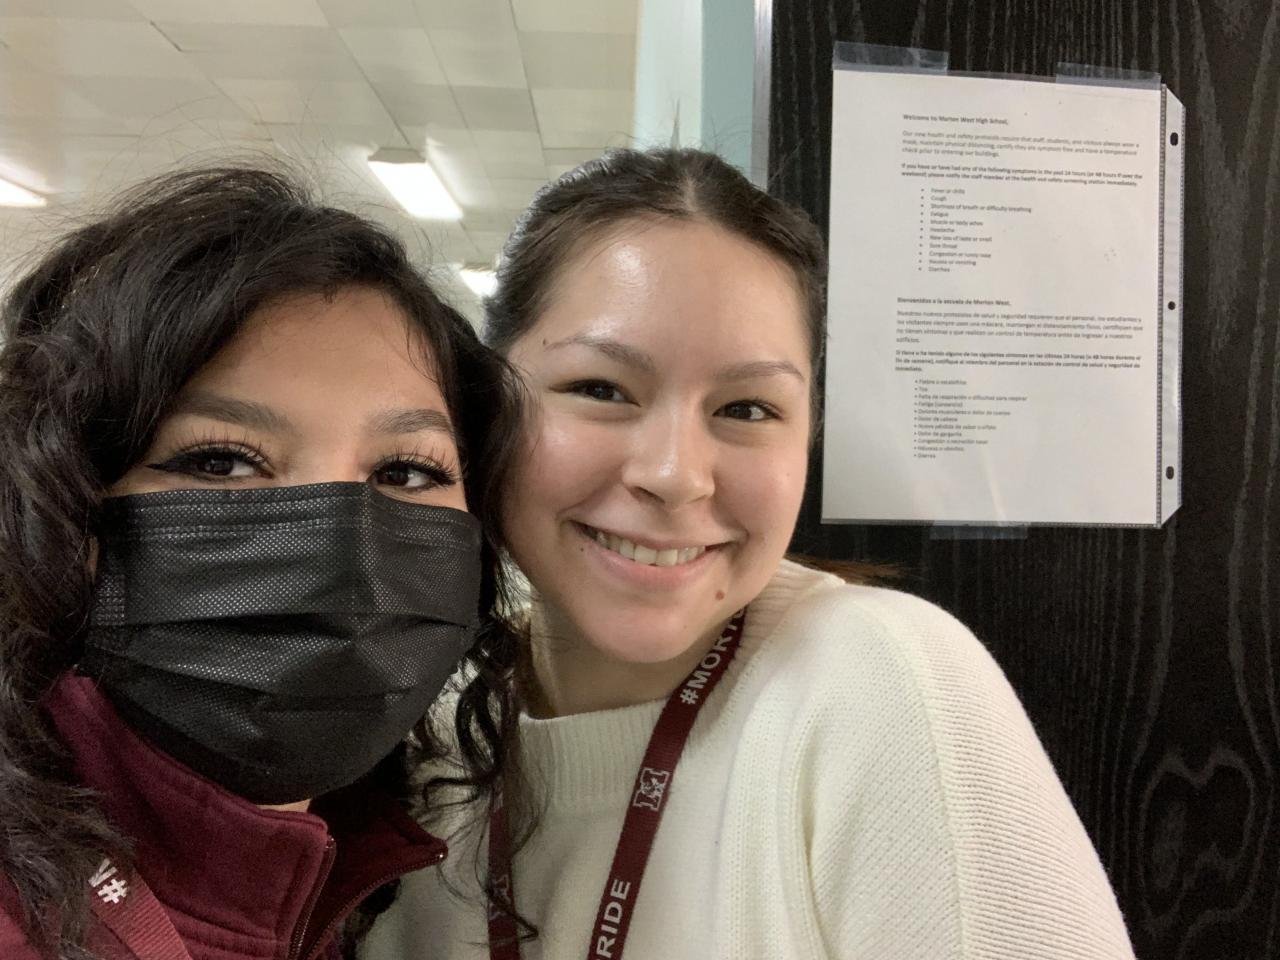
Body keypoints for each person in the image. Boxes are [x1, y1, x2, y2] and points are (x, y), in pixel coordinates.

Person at [364, 148, 1137, 959]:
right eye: (600, 389)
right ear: (487, 403)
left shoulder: (882, 682)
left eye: (746, 408)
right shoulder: (421, 719)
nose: (675, 475)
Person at [0, 166, 522, 960]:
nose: (342, 561)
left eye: (407, 472)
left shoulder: (363, 880)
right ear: (65, 506)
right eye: (221, 462)